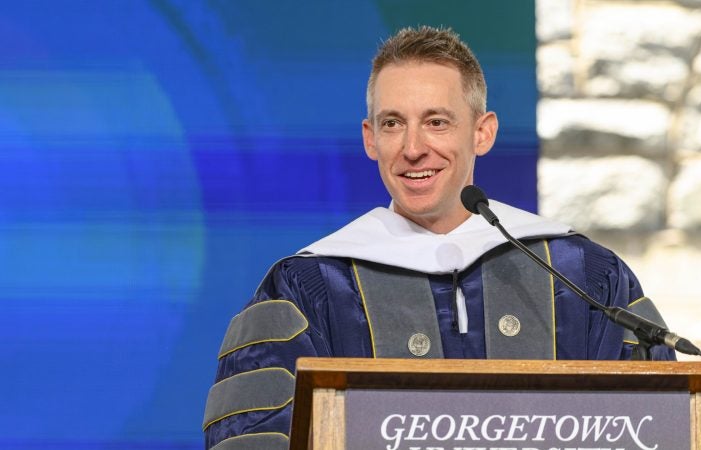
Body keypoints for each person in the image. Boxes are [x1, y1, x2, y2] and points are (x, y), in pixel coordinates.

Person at [202, 26, 674, 450]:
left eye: (436, 121)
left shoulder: (582, 277)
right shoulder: (309, 288)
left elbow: (661, 428)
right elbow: (250, 438)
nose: (412, 149)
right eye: (392, 123)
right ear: (370, 139)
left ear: (482, 133)